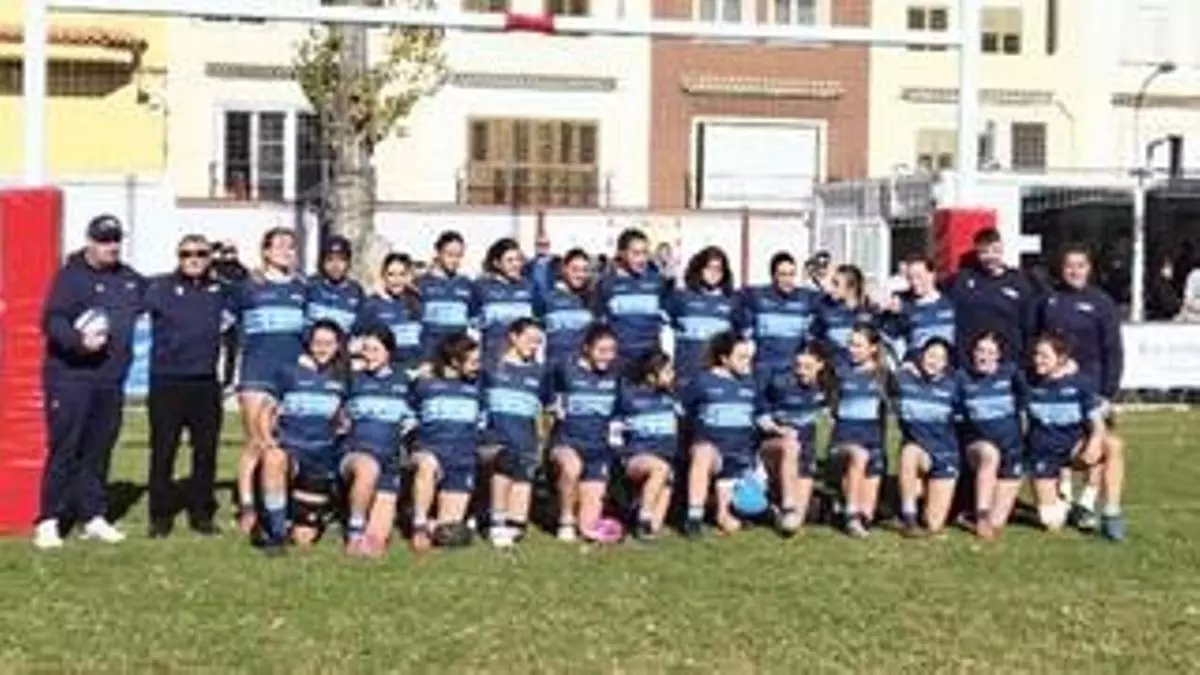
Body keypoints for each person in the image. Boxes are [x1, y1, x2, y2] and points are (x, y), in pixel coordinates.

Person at [34, 215, 146, 549]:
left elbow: (159, 296)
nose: (111, 246)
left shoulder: (127, 278)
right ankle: (49, 519)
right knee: (65, 448)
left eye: (116, 240)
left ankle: (92, 515)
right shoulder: (71, 277)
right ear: (90, 241)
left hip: (110, 380)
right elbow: (51, 319)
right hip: (71, 377)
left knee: (99, 449)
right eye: (104, 240)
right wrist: (78, 341)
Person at [1030, 244, 1124, 528]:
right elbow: (1036, 338)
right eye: (1069, 266)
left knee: (1096, 445)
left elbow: (1113, 349)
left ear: (1089, 268)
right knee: (1059, 437)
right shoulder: (1048, 300)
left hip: (1091, 385)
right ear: (1062, 269)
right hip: (1056, 385)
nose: (1074, 271)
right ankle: (1065, 495)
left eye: (1080, 266)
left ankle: (1087, 502)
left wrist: (1108, 392)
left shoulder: (1101, 302)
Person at [142, 234, 227, 538]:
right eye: (186, 254)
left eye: (201, 253)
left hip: (205, 382)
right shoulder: (159, 288)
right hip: (167, 380)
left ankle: (201, 513)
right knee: (164, 449)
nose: (193, 259)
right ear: (178, 257)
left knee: (205, 451)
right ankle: (160, 515)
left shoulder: (220, 290)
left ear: (210, 257)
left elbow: (246, 287)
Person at [228, 227, 308, 535]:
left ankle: (277, 504)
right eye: (279, 246)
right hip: (257, 373)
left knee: (283, 443)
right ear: (265, 251)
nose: (286, 252)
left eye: (291, 247)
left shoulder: (302, 288)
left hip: (291, 377)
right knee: (257, 441)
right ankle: (248, 506)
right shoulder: (249, 286)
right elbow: (223, 321)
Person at [254, 320, 349, 554]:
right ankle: (276, 533)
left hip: (321, 460)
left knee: (304, 539)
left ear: (338, 346)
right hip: (292, 451)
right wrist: (267, 440)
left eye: (328, 343)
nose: (322, 348)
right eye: (317, 343)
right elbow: (265, 410)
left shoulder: (345, 377)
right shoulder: (289, 372)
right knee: (274, 458)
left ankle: (304, 514)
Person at [1024, 333, 1126, 541]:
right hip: (1043, 455)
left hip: (1073, 449)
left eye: (1044, 356)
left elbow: (1097, 423)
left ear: (1061, 358)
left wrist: (1094, 442)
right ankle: (1068, 507)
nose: (1037, 360)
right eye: (1035, 354)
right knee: (1052, 523)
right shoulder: (1027, 381)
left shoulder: (1080, 383)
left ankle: (1112, 512)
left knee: (1113, 445)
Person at [340, 325, 416, 558]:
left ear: (389, 352)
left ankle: (368, 532)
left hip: (389, 460)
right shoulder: (351, 379)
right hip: (355, 455)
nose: (369, 355)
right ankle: (354, 530)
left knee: (376, 544)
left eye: (375, 350)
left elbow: (414, 416)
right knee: (368, 467)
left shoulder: (404, 381)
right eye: (365, 349)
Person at [409, 333, 483, 552]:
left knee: (448, 534)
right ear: (454, 361)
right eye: (473, 362)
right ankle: (419, 524)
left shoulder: (478, 386)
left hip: (461, 461)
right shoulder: (424, 384)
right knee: (427, 464)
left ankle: (426, 521)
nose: (478, 366)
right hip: (428, 451)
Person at [681, 331, 759, 538]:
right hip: (712, 454)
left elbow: (759, 417)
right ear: (724, 359)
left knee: (731, 525)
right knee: (703, 452)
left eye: (749, 357)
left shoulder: (751, 383)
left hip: (739, 460)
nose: (747, 362)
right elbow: (684, 413)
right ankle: (694, 517)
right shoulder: (702, 381)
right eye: (741, 357)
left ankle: (724, 508)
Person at [547, 324, 620, 542]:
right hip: (566, 442)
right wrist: (552, 405)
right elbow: (546, 392)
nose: (607, 356)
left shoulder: (616, 377)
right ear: (587, 348)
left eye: (612, 351)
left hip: (598, 450)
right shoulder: (566, 369)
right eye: (602, 350)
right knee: (572, 467)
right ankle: (565, 519)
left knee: (588, 528)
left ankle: (577, 514)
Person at [482, 318, 547, 548]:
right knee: (504, 462)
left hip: (525, 438)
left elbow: (543, 407)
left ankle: (511, 522)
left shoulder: (540, 373)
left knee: (517, 525)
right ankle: (495, 520)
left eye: (538, 342)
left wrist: (540, 438)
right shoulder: (491, 367)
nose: (534, 345)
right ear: (513, 337)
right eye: (530, 340)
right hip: (495, 439)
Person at [756, 341, 833, 536]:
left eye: (807, 367)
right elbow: (760, 417)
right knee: (790, 446)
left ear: (820, 365)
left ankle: (777, 510)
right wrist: (778, 429)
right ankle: (787, 505)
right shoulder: (778, 383)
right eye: (798, 365)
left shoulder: (827, 386)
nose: (801, 371)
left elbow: (829, 415)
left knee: (795, 523)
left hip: (805, 452)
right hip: (773, 448)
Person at [958, 331, 1025, 540]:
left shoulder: (1011, 374)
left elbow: (1038, 379)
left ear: (998, 356)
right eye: (980, 350)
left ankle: (971, 514)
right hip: (976, 447)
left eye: (990, 352)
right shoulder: (961, 378)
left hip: (1011, 449)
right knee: (990, 454)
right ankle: (981, 515)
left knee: (997, 523)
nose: (983, 357)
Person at [894, 338, 961, 537]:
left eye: (940, 358)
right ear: (921, 356)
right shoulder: (903, 379)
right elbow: (879, 372)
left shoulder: (954, 385)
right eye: (931, 355)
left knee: (933, 525)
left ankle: (922, 494)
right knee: (909, 451)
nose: (934, 361)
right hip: (919, 452)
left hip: (945, 455)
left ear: (947, 363)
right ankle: (909, 517)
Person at [829, 324, 891, 538]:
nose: (851, 349)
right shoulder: (840, 371)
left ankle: (847, 509)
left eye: (858, 345)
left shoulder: (884, 375)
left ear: (873, 348)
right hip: (843, 443)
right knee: (858, 455)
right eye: (850, 344)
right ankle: (850, 514)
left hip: (873, 441)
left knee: (867, 517)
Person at [611, 350, 679, 540]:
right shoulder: (628, 395)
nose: (673, 374)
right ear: (650, 376)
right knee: (660, 468)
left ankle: (639, 516)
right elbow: (614, 427)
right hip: (636, 456)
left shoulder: (672, 396)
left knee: (654, 529)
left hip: (667, 459)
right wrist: (618, 455)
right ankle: (643, 516)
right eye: (667, 371)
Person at [946, 227, 1036, 366]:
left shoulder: (1019, 281)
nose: (990, 256)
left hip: (1008, 363)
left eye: (995, 250)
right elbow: (934, 295)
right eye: (984, 252)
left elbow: (1029, 325)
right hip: (967, 362)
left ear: (1002, 249)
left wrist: (1026, 358)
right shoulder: (962, 279)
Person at [740, 252, 821, 387]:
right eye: (783, 274)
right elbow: (730, 298)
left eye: (791, 274)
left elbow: (832, 300)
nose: (788, 280)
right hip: (762, 370)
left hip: (791, 372)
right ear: (773, 276)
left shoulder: (805, 297)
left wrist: (820, 281)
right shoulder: (757, 295)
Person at [668, 246, 739, 386]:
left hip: (716, 375)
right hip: (686, 373)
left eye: (718, 269)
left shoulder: (731, 301)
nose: (714, 273)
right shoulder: (681, 297)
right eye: (709, 268)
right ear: (699, 269)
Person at [596, 228, 665, 364]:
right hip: (619, 359)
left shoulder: (657, 281)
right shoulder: (606, 283)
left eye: (645, 253)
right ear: (621, 253)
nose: (642, 259)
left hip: (650, 358)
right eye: (636, 253)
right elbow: (598, 322)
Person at [354, 253, 423, 370]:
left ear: (408, 276)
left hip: (414, 370)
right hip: (387, 371)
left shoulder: (417, 302)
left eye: (402, 274)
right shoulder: (372, 304)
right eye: (391, 274)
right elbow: (356, 337)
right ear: (383, 276)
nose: (397, 280)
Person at [475, 238, 536, 368]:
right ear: (497, 263)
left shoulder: (529, 287)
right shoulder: (482, 287)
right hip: (493, 359)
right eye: (510, 260)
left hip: (523, 360)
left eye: (518, 259)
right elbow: (472, 327)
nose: (516, 264)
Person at [882, 256, 956, 362]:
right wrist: (893, 314)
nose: (914, 282)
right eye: (910, 278)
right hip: (916, 367)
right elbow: (887, 339)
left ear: (932, 274)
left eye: (919, 276)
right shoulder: (903, 305)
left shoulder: (950, 301)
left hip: (947, 367)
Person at [417, 231, 476, 360]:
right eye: (449, 254)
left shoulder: (467, 284)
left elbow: (473, 318)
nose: (454, 260)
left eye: (458, 256)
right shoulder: (421, 283)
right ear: (438, 252)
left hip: (458, 353)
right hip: (430, 352)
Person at [810, 264, 879, 370]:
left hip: (863, 372)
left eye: (836, 284)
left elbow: (878, 344)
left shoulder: (870, 310)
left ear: (851, 288)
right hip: (834, 370)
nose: (831, 288)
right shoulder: (825, 308)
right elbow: (813, 338)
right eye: (832, 282)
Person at [539, 248, 595, 368]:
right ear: (564, 269)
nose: (580, 275)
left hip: (581, 369)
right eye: (575, 270)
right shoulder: (548, 298)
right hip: (553, 367)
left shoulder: (592, 299)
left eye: (584, 270)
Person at [305, 235, 364, 334]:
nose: (335, 265)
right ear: (322, 262)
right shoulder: (310, 286)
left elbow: (360, 328)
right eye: (330, 259)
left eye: (341, 259)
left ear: (349, 262)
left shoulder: (356, 291)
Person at [212, 240, 248, 391]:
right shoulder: (214, 268)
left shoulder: (241, 271)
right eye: (226, 252)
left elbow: (242, 291)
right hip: (216, 313)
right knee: (213, 349)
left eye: (231, 251)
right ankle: (215, 379)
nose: (229, 255)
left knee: (232, 350)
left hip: (234, 315)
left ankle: (229, 381)